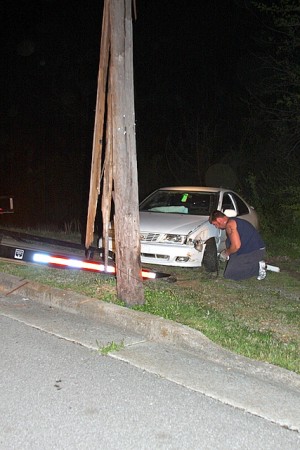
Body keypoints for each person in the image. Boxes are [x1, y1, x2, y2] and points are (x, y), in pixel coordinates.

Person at [209, 210, 266, 281]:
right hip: (248, 249)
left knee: (230, 274)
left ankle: (257, 268)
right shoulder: (233, 221)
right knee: (228, 243)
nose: (216, 227)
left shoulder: (230, 224)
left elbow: (236, 246)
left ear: (219, 220)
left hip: (254, 251)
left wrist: (226, 253)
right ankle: (247, 263)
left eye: (215, 224)